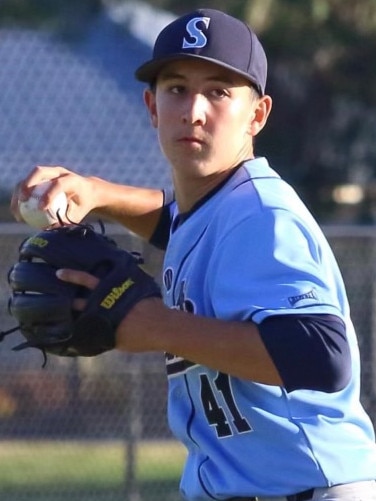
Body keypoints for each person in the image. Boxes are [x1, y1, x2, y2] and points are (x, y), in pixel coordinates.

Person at [11, 8, 376, 501]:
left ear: (258, 115)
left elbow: (322, 355)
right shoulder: (219, 207)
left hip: (311, 489)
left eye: (219, 91)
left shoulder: (262, 214)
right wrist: (98, 192)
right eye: (177, 88)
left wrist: (146, 323)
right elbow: (178, 221)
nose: (194, 110)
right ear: (152, 107)